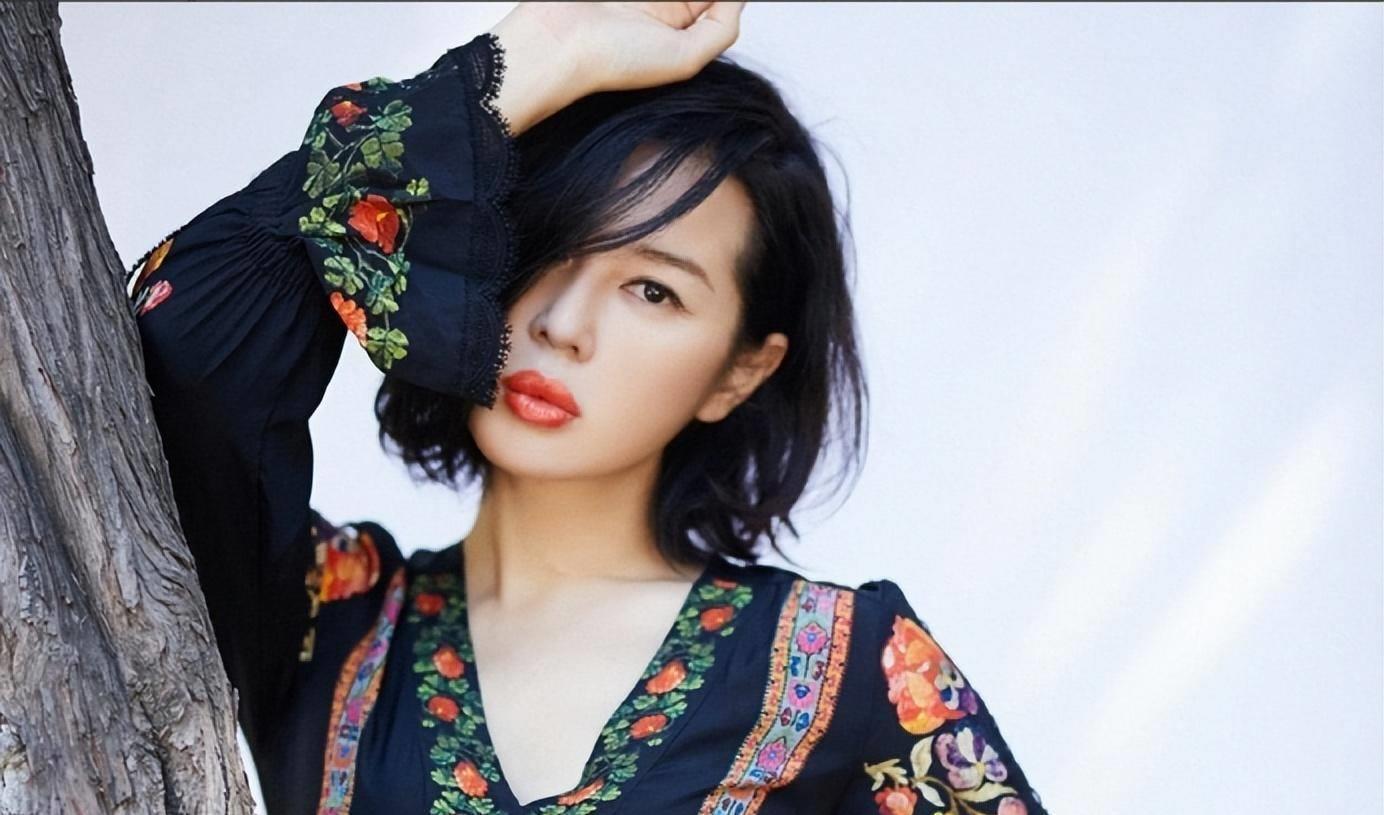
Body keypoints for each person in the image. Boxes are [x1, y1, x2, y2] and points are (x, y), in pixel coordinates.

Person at [125, 3, 1049, 814]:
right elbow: (187, 336)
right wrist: (529, 57)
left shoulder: (849, 674)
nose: (563, 324)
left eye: (652, 291)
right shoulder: (329, 620)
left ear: (740, 373)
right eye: (547, 246)